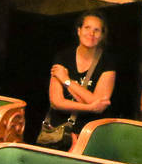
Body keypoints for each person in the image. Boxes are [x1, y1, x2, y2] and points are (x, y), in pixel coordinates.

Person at [41, 11, 116, 144]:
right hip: (58, 130)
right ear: (79, 30)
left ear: (102, 35)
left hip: (89, 131)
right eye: (87, 28)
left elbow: (99, 102)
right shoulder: (63, 57)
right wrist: (90, 107)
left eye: (97, 30)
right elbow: (56, 102)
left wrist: (67, 81)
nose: (91, 34)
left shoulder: (108, 62)